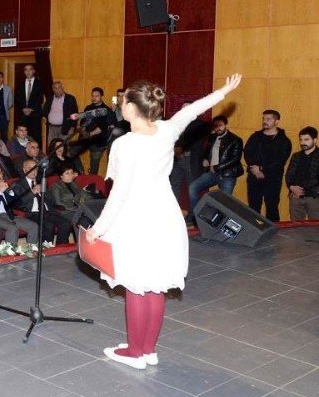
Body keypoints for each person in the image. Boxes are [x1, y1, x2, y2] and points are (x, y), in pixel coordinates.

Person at [84, 74, 242, 370]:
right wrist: (224, 90)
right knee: (155, 286)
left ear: (131, 108)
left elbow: (118, 195)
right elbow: (193, 110)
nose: (121, 104)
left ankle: (134, 352)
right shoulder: (167, 130)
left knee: (135, 285)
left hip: (136, 217)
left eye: (124, 100)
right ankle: (148, 350)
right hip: (166, 215)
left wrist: (98, 229)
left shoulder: (124, 145)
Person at [187, 115, 244, 220]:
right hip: (212, 173)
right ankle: (194, 216)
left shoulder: (235, 140)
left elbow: (235, 159)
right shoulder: (212, 138)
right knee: (193, 187)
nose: (218, 128)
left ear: (225, 125)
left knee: (225, 201)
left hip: (227, 175)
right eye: (216, 126)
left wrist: (217, 167)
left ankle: (221, 222)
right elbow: (206, 152)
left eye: (220, 125)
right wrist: (204, 159)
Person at [6, 159, 72, 244]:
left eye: (36, 168)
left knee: (65, 223)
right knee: (49, 225)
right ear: (24, 169)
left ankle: (60, 248)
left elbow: (51, 200)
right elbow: (18, 203)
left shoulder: (42, 181)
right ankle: (46, 249)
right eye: (30, 168)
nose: (34, 171)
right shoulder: (18, 184)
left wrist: (44, 192)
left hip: (48, 211)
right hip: (33, 213)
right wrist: (32, 192)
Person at [243, 110, 292, 222]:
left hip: (273, 179)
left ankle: (274, 234)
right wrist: (254, 168)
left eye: (268, 119)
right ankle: (253, 232)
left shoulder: (284, 141)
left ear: (277, 121)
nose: (265, 121)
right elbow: (247, 152)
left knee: (272, 207)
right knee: (253, 207)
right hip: (254, 177)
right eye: (264, 119)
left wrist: (261, 169)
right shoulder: (255, 136)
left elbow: (280, 161)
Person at [0, 164, 38, 245]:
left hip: (9, 214)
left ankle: (31, 250)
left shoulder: (5, 185)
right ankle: (11, 253)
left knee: (33, 226)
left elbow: (17, 203)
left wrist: (10, 192)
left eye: (0, 173)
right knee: (12, 227)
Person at [285, 126, 319, 220]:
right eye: (301, 140)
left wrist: (300, 188)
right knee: (296, 227)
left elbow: (316, 179)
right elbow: (289, 174)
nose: (303, 142)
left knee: (315, 228)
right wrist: (291, 187)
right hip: (295, 197)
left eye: (306, 139)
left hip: (314, 197)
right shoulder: (296, 156)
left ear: (315, 140)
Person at [15, 63, 45, 143]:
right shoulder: (20, 84)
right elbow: (17, 98)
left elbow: (40, 99)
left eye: (30, 69)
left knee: (35, 137)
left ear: (33, 71)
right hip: (23, 114)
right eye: (26, 70)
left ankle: (36, 154)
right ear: (24, 72)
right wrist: (24, 109)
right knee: (22, 136)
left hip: (35, 114)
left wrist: (30, 109)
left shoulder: (40, 83)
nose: (28, 71)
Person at [43, 81, 79, 146]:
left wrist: (72, 127)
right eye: (55, 88)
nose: (57, 90)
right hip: (51, 128)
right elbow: (45, 111)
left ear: (62, 88)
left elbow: (75, 114)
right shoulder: (49, 99)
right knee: (51, 147)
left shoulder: (70, 98)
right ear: (53, 90)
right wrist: (44, 116)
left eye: (59, 87)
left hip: (65, 128)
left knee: (63, 147)